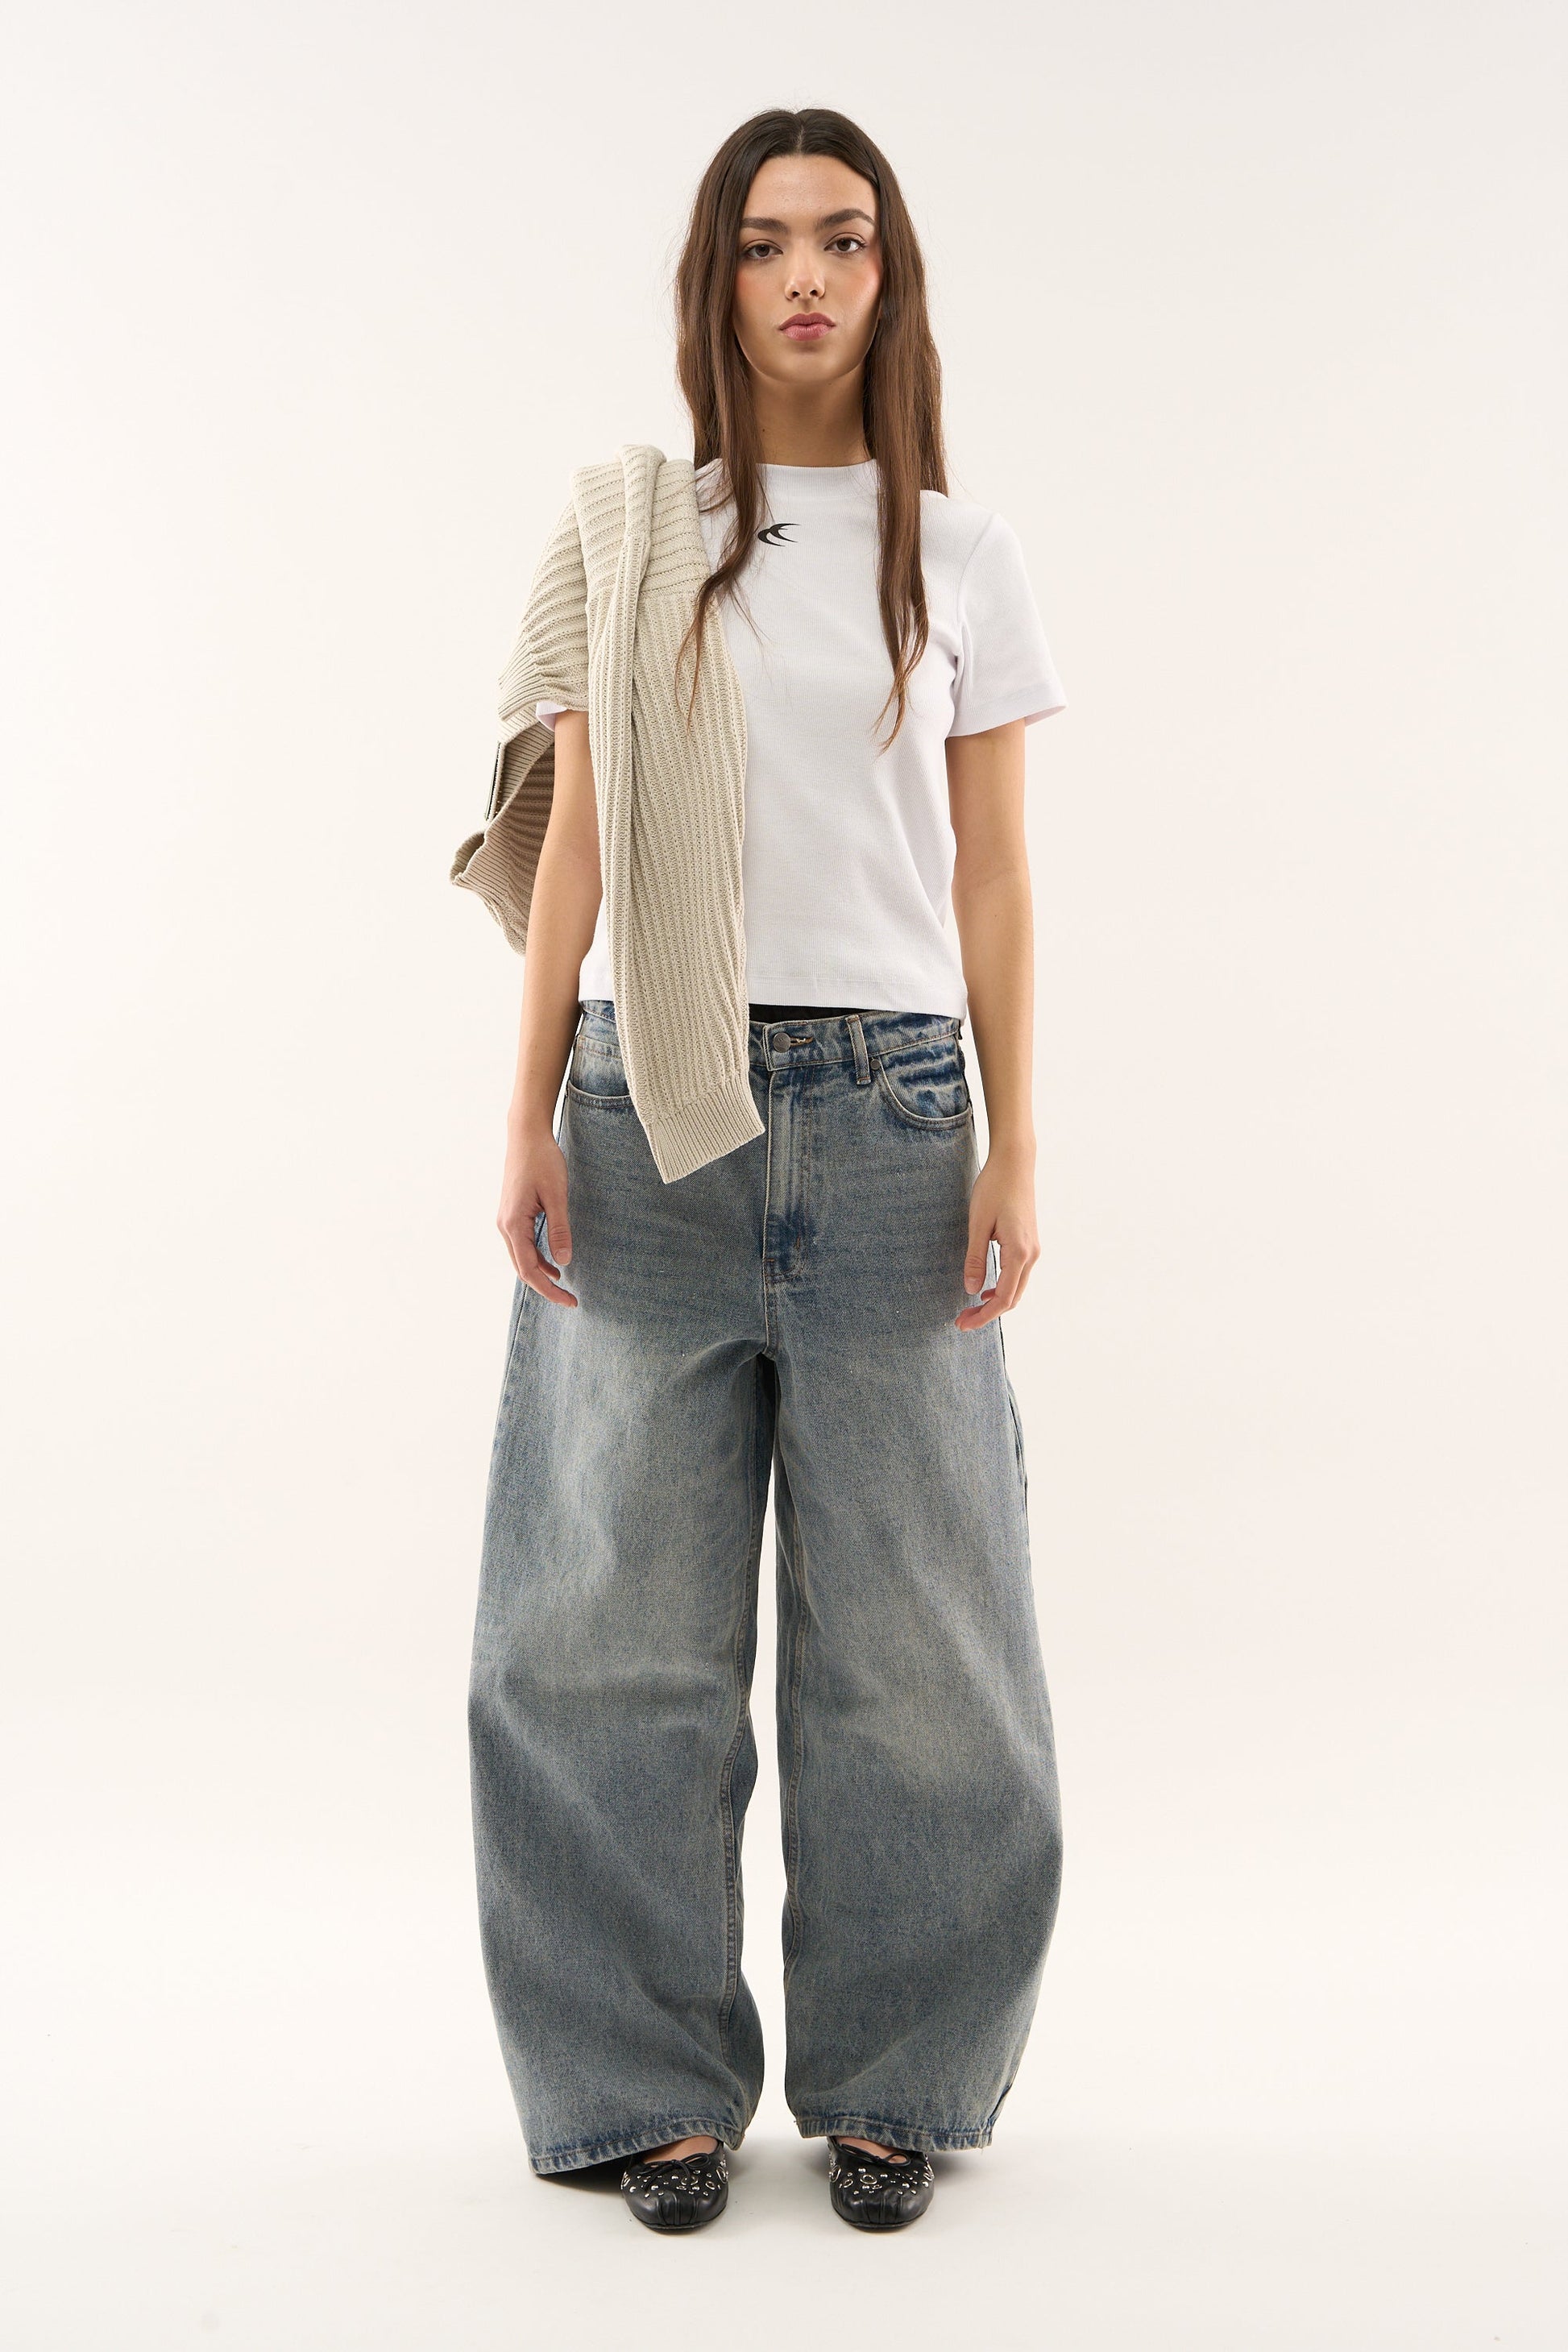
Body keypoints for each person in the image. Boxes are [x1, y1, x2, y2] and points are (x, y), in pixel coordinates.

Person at [453, 106, 1067, 2235]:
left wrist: (1012, 1140)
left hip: (895, 1116)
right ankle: (641, 2091)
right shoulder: (645, 534)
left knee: (921, 1634)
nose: (805, 277)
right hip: (651, 1106)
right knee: (601, 1625)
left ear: (890, 280)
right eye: (764, 241)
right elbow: (578, 849)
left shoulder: (956, 555)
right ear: (714, 278)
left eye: (845, 240)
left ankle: (898, 2084)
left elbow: (993, 877)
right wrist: (525, 1104)